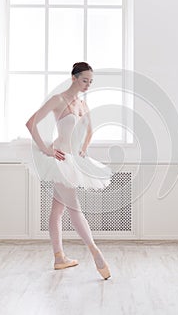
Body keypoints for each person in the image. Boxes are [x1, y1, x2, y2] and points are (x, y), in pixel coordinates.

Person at [25, 62, 112, 280]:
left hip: (73, 161)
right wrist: (46, 149)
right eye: (84, 80)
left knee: (58, 211)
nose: (88, 85)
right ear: (73, 78)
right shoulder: (58, 100)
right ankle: (94, 251)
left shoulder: (83, 104)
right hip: (60, 160)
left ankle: (59, 258)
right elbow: (30, 123)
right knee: (74, 208)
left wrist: (83, 150)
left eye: (91, 82)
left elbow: (90, 131)